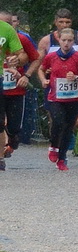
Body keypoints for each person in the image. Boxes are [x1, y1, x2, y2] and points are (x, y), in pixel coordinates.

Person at [39, 27, 78, 170]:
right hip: (56, 97)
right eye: (64, 40)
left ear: (73, 42)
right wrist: (43, 80)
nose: (66, 43)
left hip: (74, 98)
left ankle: (62, 159)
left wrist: (76, 77)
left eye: (69, 40)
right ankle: (54, 145)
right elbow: (41, 69)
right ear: (59, 41)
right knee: (58, 121)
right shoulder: (51, 56)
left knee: (68, 127)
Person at [0, 11, 39, 169]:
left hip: (15, 90)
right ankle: (1, 154)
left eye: (10, 23)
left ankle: (11, 141)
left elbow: (35, 58)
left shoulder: (22, 39)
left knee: (14, 129)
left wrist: (26, 76)